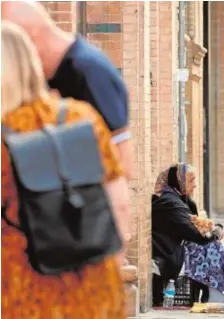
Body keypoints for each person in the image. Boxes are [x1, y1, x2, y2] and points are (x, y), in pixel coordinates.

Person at [1, 22, 130, 319]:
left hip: (23, 292)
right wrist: (108, 266)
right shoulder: (82, 119)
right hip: (95, 286)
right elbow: (119, 205)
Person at [151, 163, 224, 306]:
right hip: (168, 253)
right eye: (191, 180)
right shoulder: (170, 203)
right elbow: (196, 235)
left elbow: (195, 226)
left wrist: (214, 230)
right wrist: (216, 233)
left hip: (174, 249)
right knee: (207, 247)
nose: (195, 185)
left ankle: (215, 294)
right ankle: (214, 295)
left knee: (209, 245)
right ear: (178, 181)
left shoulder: (179, 199)